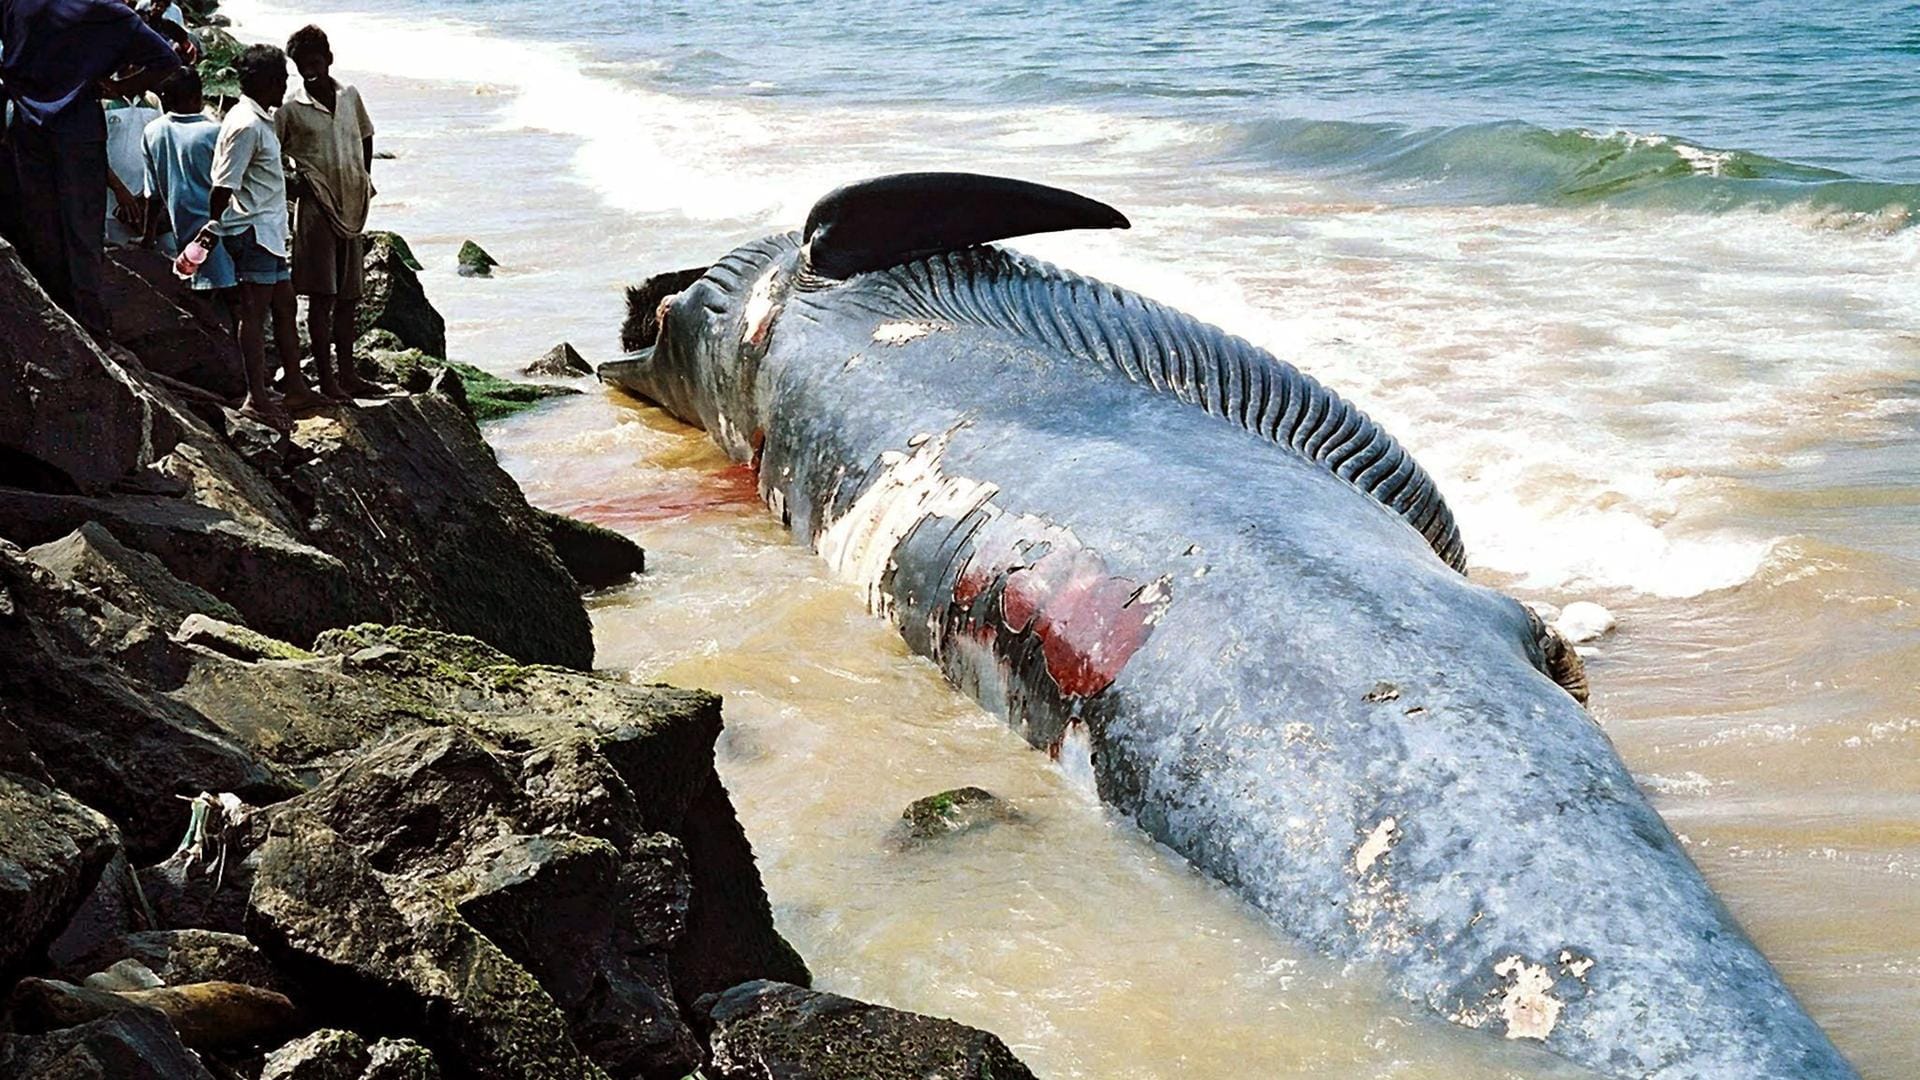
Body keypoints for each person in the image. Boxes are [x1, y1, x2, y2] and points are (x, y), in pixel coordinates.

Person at [0, 0, 181, 334]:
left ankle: (53, 319)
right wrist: (120, 88)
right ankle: (90, 325)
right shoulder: (107, 12)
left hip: (25, 126)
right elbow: (167, 60)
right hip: (78, 129)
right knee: (82, 231)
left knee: (42, 226)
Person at [198, 42, 324, 423]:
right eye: (282, 80)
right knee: (254, 313)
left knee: (284, 306)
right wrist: (212, 229)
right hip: (252, 230)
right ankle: (255, 397)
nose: (286, 87)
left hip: (267, 230)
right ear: (266, 82)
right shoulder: (245, 124)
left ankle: (297, 388)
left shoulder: (258, 119)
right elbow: (222, 185)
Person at [279, 24, 382, 399]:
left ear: (329, 59)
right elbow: (271, 153)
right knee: (322, 297)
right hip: (316, 212)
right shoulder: (291, 107)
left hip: (352, 208)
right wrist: (296, 185)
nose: (310, 70)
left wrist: (364, 176)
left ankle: (349, 374)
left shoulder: (350, 95)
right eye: (302, 64)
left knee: (349, 297)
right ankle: (327, 380)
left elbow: (366, 135)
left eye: (316, 62)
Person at [139, 67, 234, 304]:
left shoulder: (152, 131)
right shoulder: (215, 132)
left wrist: (147, 237)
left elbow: (153, 194)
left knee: (198, 302)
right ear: (198, 97)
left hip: (182, 234)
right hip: (219, 233)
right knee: (234, 305)